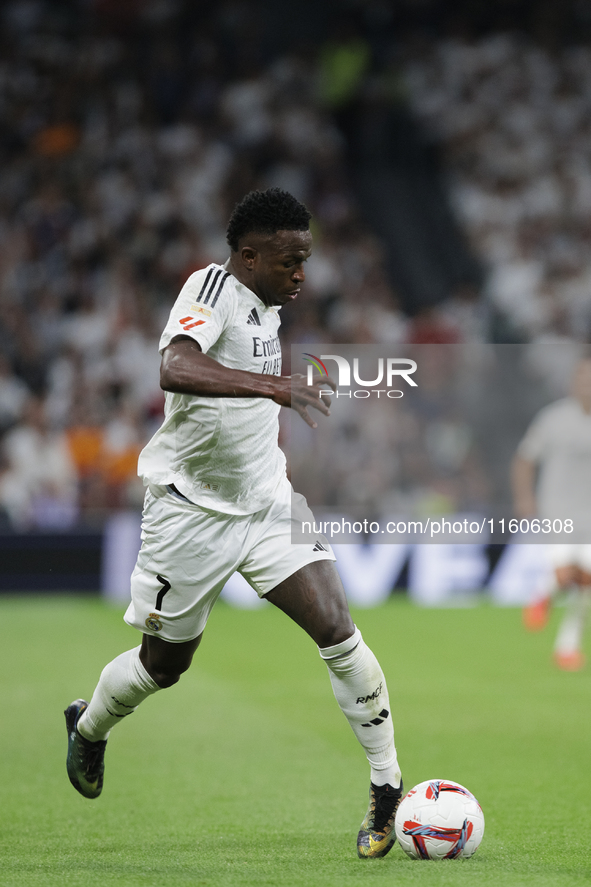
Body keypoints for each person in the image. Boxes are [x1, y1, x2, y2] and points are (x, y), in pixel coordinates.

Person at [65, 188, 403, 859]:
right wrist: (277, 387)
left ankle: (386, 786)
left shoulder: (266, 305)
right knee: (164, 665)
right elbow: (174, 367)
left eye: (304, 259)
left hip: (267, 503)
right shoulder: (210, 286)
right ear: (247, 256)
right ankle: (90, 724)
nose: (300, 273)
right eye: (288, 261)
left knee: (336, 628)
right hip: (188, 513)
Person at [512, 355, 591, 670]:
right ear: (573, 383)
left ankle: (567, 647)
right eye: (583, 378)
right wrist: (524, 498)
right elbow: (524, 459)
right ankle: (542, 591)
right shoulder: (553, 418)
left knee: (586, 582)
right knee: (565, 574)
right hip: (557, 507)